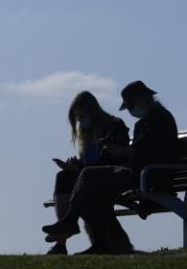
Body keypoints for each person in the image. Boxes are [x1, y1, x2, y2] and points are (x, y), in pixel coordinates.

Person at [43, 81, 178, 254]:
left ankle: (71, 223)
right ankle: (99, 243)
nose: (130, 111)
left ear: (144, 99)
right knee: (88, 185)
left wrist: (121, 152)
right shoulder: (144, 123)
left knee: (89, 177)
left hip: (149, 177)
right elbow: (136, 153)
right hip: (137, 173)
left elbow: (150, 153)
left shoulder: (161, 120)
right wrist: (122, 152)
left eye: (130, 105)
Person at [46, 91, 130, 255]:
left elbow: (108, 163)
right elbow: (88, 166)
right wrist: (74, 166)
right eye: (77, 118)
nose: (80, 121)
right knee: (63, 177)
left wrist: (78, 169)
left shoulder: (114, 126)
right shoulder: (87, 134)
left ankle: (70, 226)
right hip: (90, 177)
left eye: (82, 116)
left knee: (87, 184)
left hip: (113, 177)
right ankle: (61, 241)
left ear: (93, 112)